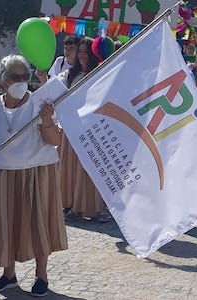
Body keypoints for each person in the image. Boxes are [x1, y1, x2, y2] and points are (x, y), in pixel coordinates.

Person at [0, 54, 67, 297]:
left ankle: (42, 277)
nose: (20, 81)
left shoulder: (40, 104)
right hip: (5, 174)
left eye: (24, 76)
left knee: (39, 225)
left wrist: (48, 121)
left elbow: (55, 141)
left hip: (38, 172)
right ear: (2, 80)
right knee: (6, 225)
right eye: (14, 77)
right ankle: (9, 276)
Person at [57, 37, 110, 223]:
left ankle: (94, 208)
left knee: (89, 169)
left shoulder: (100, 74)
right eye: (79, 51)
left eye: (85, 51)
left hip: (91, 130)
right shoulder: (70, 75)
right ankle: (71, 206)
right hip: (71, 128)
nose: (81, 55)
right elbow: (55, 91)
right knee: (70, 168)